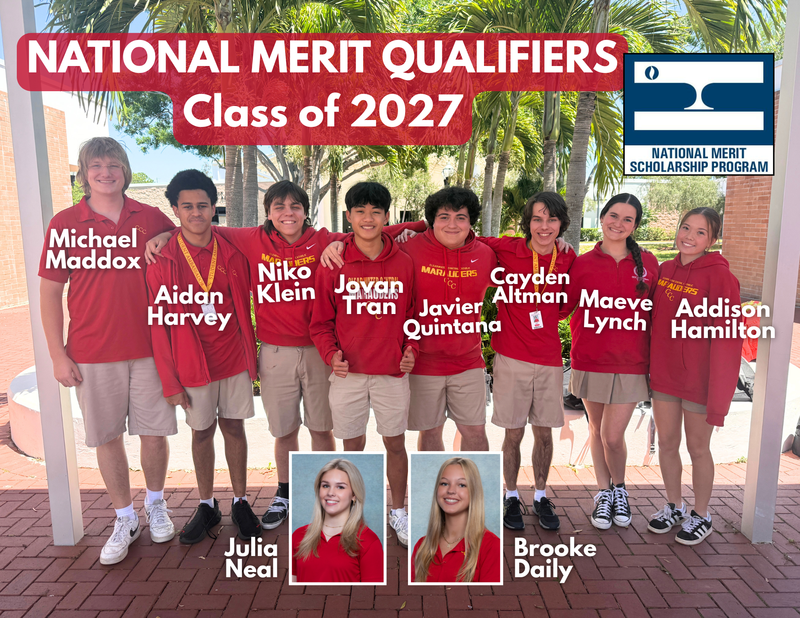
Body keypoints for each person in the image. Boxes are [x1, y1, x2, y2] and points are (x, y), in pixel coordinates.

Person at [146, 181, 425, 531]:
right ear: (268, 213)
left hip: (319, 351)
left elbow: (369, 227)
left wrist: (415, 228)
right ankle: (285, 492)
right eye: (279, 207)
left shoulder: (325, 241)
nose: (287, 213)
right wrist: (167, 235)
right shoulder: (251, 240)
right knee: (285, 431)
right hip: (275, 352)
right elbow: (199, 223)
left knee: (322, 429)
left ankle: (327, 499)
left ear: (306, 211)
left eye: (295, 206)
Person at [38, 137, 177, 565]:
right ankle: (124, 516)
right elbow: (49, 291)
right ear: (83, 172)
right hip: (92, 352)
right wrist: (57, 355)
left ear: (125, 169)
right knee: (107, 436)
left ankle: (156, 505)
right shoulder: (64, 223)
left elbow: (189, 241)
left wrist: (169, 234)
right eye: (96, 165)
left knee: (155, 432)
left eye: (113, 163)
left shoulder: (151, 217)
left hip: (152, 348)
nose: (105, 171)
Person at [321, 187, 496, 451]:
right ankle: (432, 493)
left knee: (475, 432)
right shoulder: (409, 247)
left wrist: (557, 244)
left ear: (471, 222)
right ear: (431, 222)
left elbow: (525, 250)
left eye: (461, 217)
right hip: (422, 362)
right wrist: (340, 242)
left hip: (468, 362)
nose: (452, 224)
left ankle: (478, 492)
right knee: (430, 433)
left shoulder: (486, 254)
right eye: (444, 217)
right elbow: (370, 232)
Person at [146, 170, 262, 543]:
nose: (196, 213)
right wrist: (170, 382)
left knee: (234, 428)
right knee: (201, 433)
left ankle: (241, 501)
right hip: (192, 364)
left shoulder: (233, 250)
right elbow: (158, 327)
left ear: (214, 208)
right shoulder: (163, 259)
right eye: (187, 207)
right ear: (176, 210)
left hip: (232, 360)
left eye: (202, 205)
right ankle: (208, 504)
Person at [310, 182, 417, 547]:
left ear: (386, 216)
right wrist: (331, 355)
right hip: (348, 375)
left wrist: (411, 348)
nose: (367, 218)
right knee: (352, 447)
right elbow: (320, 321)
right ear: (349, 217)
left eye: (375, 211)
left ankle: (398, 511)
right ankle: (352, 515)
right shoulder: (334, 261)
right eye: (360, 211)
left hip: (391, 374)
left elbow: (416, 314)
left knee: (395, 444)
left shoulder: (404, 262)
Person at [479, 192, 575, 531]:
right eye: (537, 219)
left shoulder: (568, 259)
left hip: (548, 360)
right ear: (527, 223)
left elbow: (567, 305)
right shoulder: (505, 248)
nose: (544, 226)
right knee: (513, 434)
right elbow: (459, 234)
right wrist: (410, 228)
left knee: (545, 434)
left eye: (551, 220)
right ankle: (510, 495)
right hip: (510, 359)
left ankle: (539, 495)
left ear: (561, 224)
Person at [647, 207, 742, 545]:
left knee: (698, 449)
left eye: (700, 232)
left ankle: (702, 515)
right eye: (685, 227)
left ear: (712, 240)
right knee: (668, 444)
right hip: (664, 377)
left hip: (700, 382)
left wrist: (720, 396)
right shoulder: (665, 269)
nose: (689, 236)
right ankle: (674, 505)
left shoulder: (720, 277)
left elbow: (729, 338)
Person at [564, 194, 658, 530]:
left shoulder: (649, 263)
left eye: (628, 219)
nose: (618, 224)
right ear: (602, 217)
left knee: (612, 435)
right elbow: (562, 308)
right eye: (613, 215)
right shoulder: (582, 263)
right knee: (595, 429)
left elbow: (661, 314)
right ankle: (604, 493)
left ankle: (620, 489)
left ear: (635, 225)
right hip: (590, 360)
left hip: (633, 364)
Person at [292, 459, 383, 583]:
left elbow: (371, 596)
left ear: (354, 495)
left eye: (340, 487)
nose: (330, 493)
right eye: (325, 486)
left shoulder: (369, 541)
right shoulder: (299, 536)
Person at [411, 457, 501, 583]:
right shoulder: (422, 546)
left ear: (474, 492)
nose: (451, 491)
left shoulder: (492, 547)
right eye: (444, 483)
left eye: (462, 485)